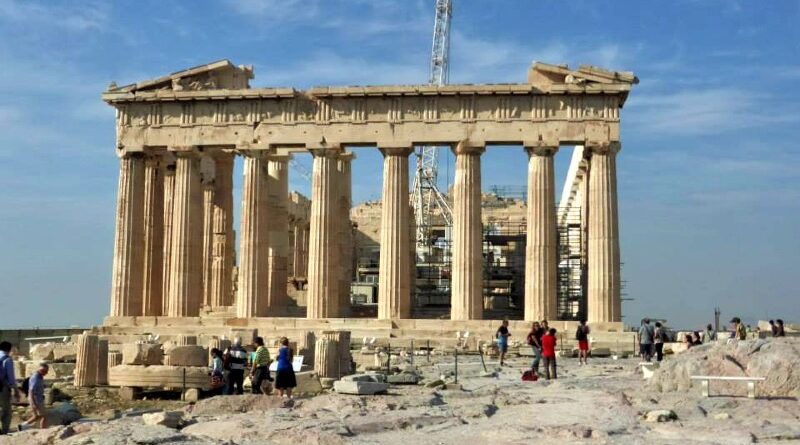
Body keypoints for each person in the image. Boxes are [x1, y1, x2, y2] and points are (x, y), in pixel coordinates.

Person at [18, 362, 48, 431]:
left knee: (36, 416)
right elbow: (31, 391)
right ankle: (43, 431)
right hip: (36, 400)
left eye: (46, 371)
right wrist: (33, 403)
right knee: (44, 416)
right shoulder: (35, 378)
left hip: (37, 399)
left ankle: (22, 426)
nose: (46, 373)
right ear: (40, 370)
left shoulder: (40, 377)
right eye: (44, 371)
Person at [0, 341, 20, 435]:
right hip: (2, 387)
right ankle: (4, 432)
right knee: (6, 411)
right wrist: (16, 390)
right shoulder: (7, 360)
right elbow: (11, 378)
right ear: (9, 349)